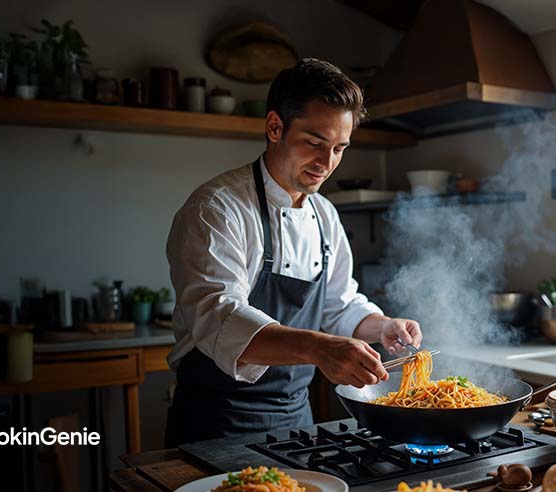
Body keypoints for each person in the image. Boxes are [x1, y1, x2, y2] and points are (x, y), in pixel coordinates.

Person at [163, 58, 422, 446]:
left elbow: (336, 306)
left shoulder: (324, 214)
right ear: (274, 127)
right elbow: (220, 319)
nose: (326, 163)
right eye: (315, 144)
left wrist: (381, 327)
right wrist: (319, 347)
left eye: (339, 149)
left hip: (297, 420)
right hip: (217, 421)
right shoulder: (216, 209)